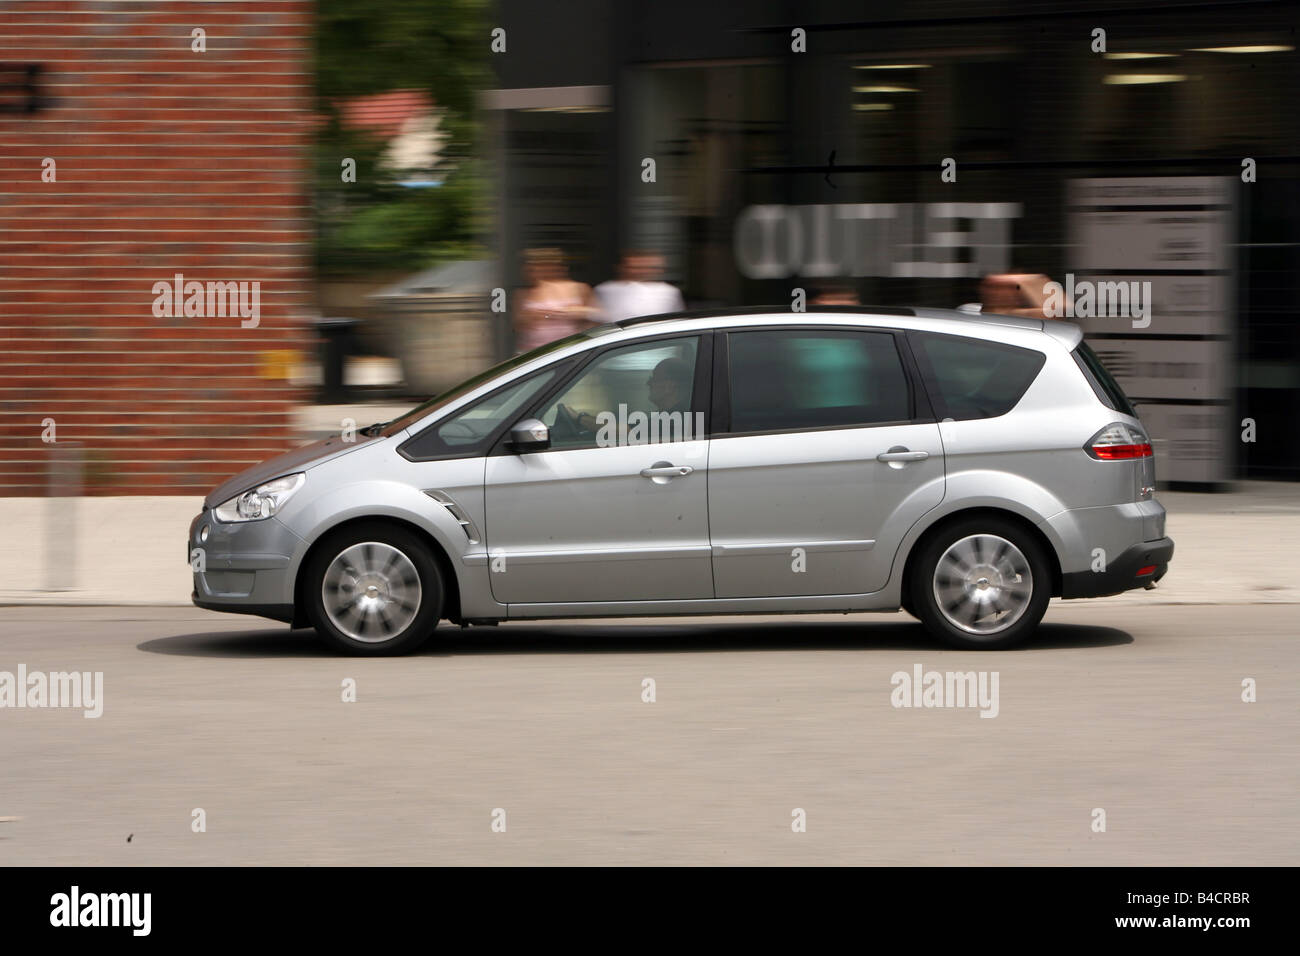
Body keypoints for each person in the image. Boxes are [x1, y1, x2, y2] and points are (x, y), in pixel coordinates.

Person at [513, 248, 599, 353]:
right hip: (534, 353)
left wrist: (576, 312)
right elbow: (517, 325)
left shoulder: (578, 288)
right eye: (531, 267)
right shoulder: (523, 293)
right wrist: (534, 316)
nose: (533, 271)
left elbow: (598, 317)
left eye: (541, 266)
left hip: (569, 351)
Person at [593, 250, 685, 322]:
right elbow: (597, 318)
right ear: (621, 267)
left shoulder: (669, 291)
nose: (640, 271)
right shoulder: (605, 290)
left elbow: (676, 320)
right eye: (634, 267)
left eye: (647, 267)